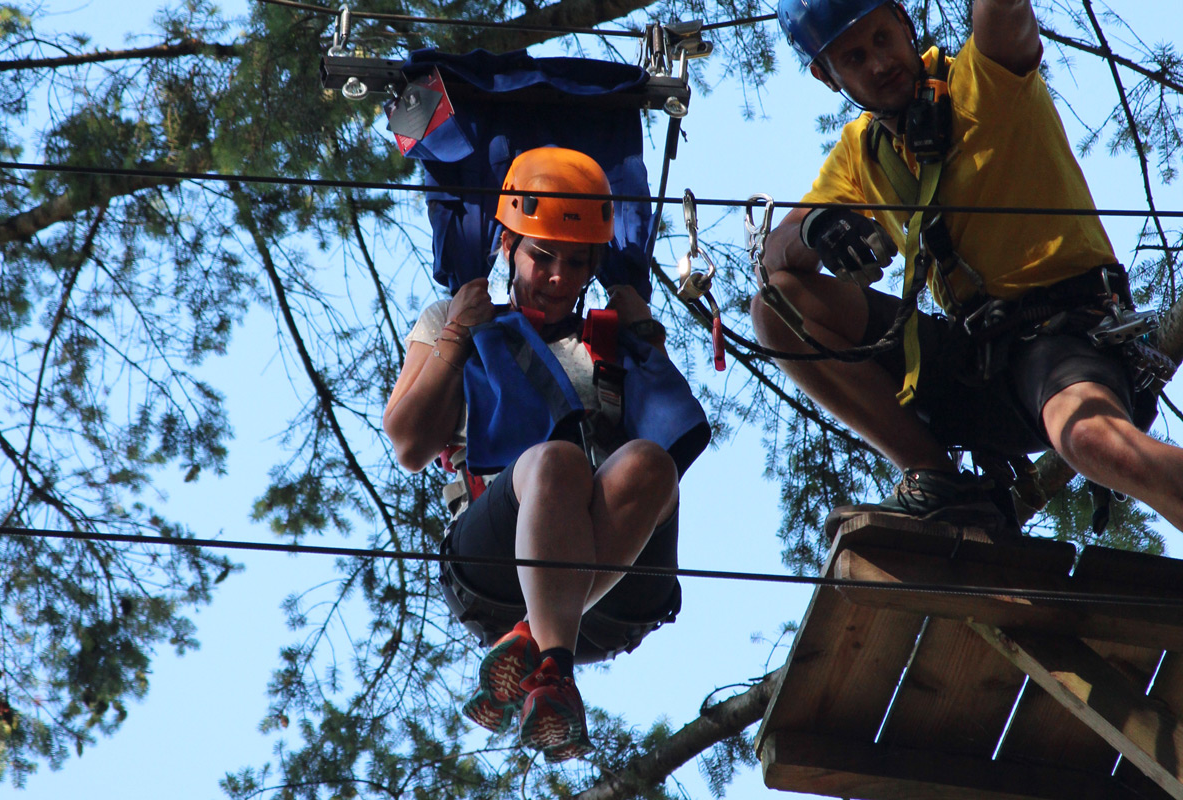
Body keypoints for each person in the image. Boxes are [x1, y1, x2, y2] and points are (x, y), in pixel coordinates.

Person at [752, 0, 1183, 538]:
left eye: (884, 39)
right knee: (777, 306)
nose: (880, 63)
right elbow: (774, 255)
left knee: (1090, 438)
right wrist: (817, 225)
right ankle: (935, 480)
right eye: (855, 57)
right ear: (826, 75)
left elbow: (1003, 12)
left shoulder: (985, 79)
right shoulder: (861, 153)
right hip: (972, 365)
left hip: (1064, 339)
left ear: (906, 23)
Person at [383, 147, 709, 762]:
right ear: (506, 245)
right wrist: (458, 334)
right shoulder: (453, 320)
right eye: (542, 256)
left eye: (576, 263)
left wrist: (647, 340)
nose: (558, 277)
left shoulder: (612, 341)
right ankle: (553, 669)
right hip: (496, 571)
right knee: (555, 461)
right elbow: (408, 443)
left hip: (617, 592)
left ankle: (539, 647)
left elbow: (672, 435)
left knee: (650, 464)